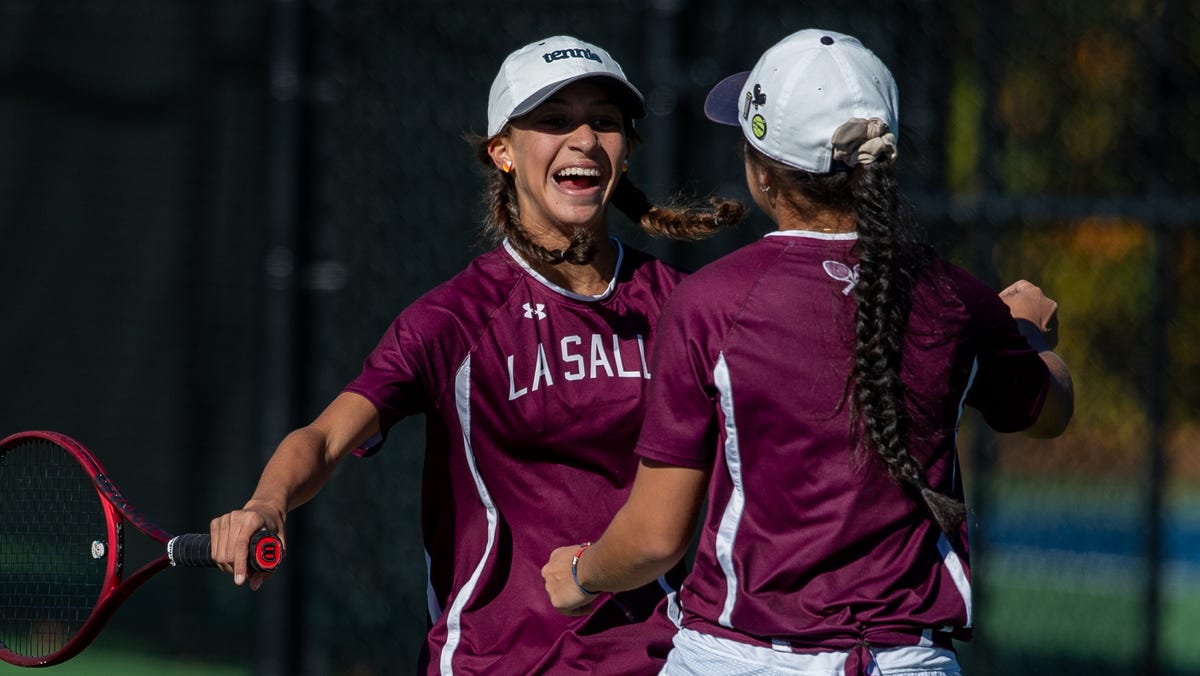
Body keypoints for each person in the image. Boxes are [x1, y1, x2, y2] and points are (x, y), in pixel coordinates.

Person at [543, 28, 1074, 675]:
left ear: (761, 171)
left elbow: (655, 539)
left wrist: (581, 572)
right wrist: (1020, 332)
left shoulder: (714, 303)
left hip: (739, 658)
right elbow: (1050, 409)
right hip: (906, 661)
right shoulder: (955, 301)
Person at [208, 35, 743, 674]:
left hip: (659, 660)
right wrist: (266, 505)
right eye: (552, 120)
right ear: (503, 153)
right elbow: (323, 439)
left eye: (604, 121)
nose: (583, 139)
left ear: (625, 152)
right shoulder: (454, 319)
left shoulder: (682, 306)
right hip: (493, 663)